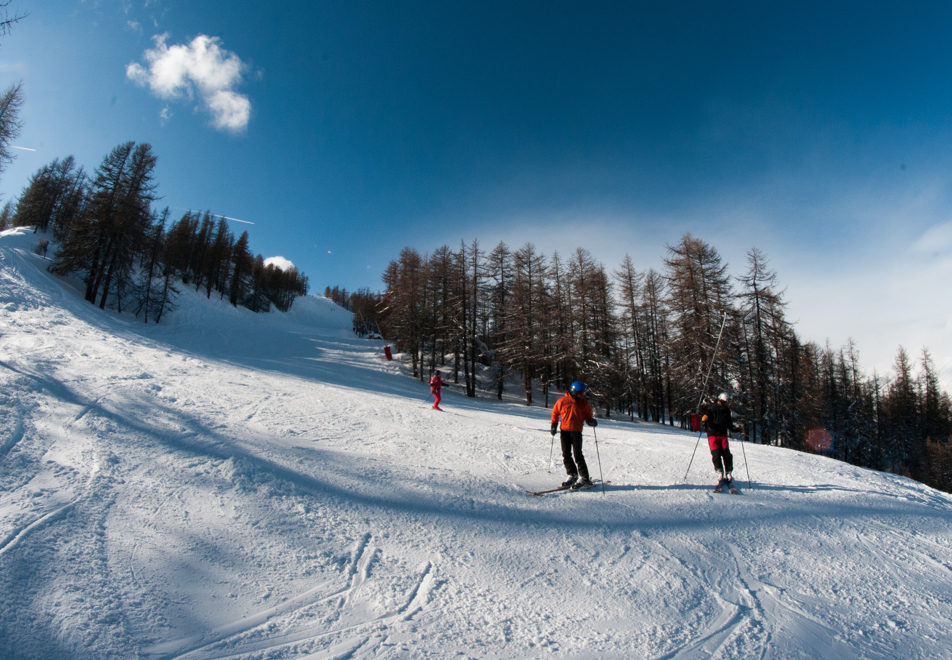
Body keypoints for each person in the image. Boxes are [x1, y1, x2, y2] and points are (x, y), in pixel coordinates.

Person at [550, 381, 598, 489]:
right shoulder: (562, 401)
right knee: (566, 454)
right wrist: (554, 424)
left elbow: (588, 416)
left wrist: (590, 421)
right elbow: (555, 413)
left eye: (583, 394)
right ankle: (572, 475)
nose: (582, 396)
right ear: (573, 391)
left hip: (576, 432)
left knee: (578, 455)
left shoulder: (584, 403)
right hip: (564, 432)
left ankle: (585, 478)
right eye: (580, 394)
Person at [702, 392, 742, 485]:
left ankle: (728, 472)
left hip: (723, 434)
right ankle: (719, 471)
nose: (728, 403)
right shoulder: (712, 409)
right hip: (713, 434)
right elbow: (705, 419)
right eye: (726, 401)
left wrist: (736, 429)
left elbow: (729, 425)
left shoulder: (727, 411)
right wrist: (704, 420)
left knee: (727, 454)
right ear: (721, 401)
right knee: (716, 454)